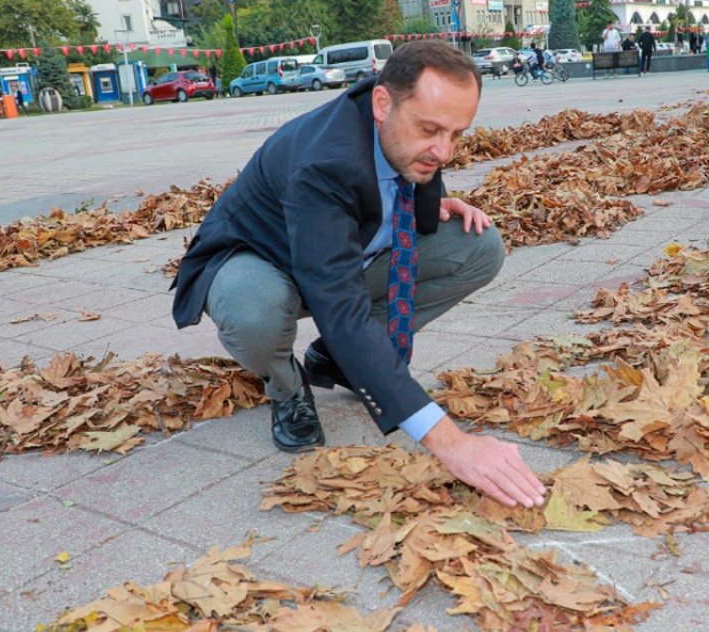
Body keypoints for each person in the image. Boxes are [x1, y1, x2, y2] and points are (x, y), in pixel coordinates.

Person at [170, 41, 547, 510]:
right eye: (430, 129)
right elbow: (342, 309)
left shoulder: (403, 134)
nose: (444, 151)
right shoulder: (325, 163)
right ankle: (287, 387)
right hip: (259, 261)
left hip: (336, 259)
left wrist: (436, 205)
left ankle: (337, 361)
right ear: (383, 102)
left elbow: (419, 176)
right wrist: (453, 443)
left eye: (456, 134)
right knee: (256, 313)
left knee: (479, 248)